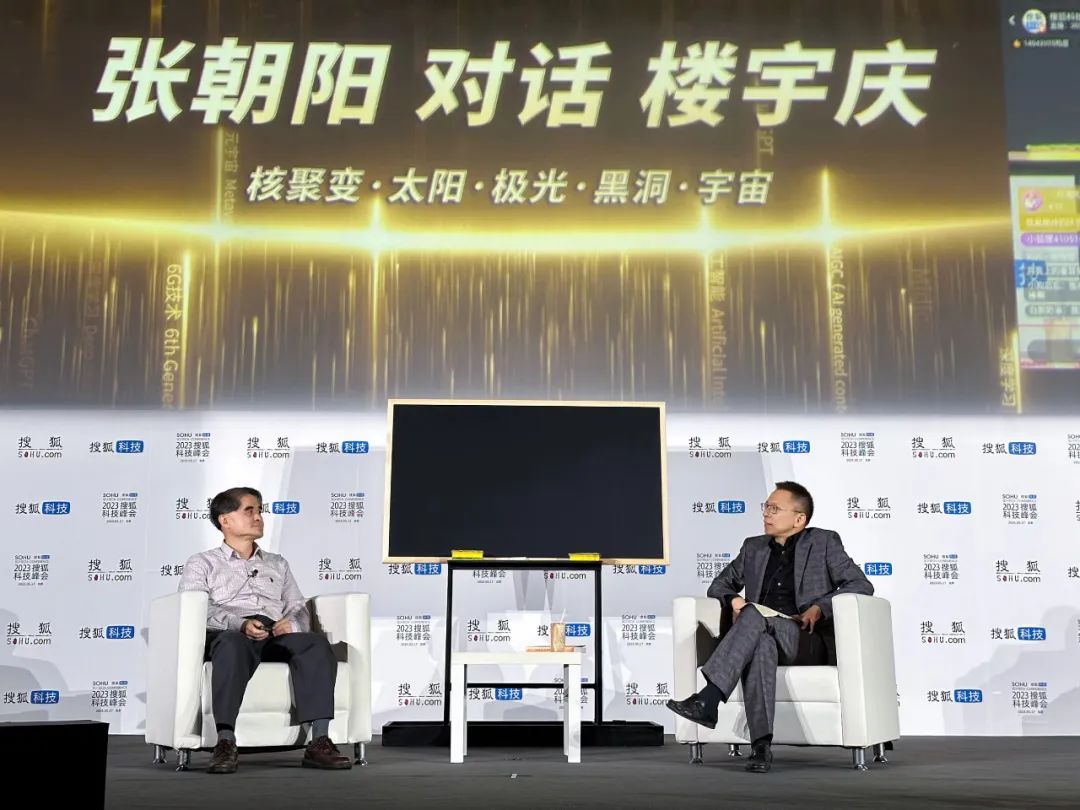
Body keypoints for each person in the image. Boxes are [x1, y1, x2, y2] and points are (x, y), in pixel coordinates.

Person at [666, 481, 872, 773]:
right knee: (760, 642)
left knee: (753, 616)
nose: (766, 514)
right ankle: (761, 748)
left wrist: (820, 606)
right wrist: (734, 600)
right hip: (761, 632)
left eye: (775, 509)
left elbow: (861, 584)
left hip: (804, 637)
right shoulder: (754, 547)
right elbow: (719, 584)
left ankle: (708, 699)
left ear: (799, 519)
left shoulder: (823, 542)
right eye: (766, 507)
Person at [178, 486, 352, 774]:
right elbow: (196, 608)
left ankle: (320, 741)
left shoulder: (277, 563)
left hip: (273, 634)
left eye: (259, 511)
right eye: (249, 511)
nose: (258, 517)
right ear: (225, 520)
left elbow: (297, 605)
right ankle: (225, 741)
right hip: (230, 634)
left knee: (315, 643)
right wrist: (240, 624)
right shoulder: (202, 563)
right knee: (232, 644)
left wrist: (291, 624)